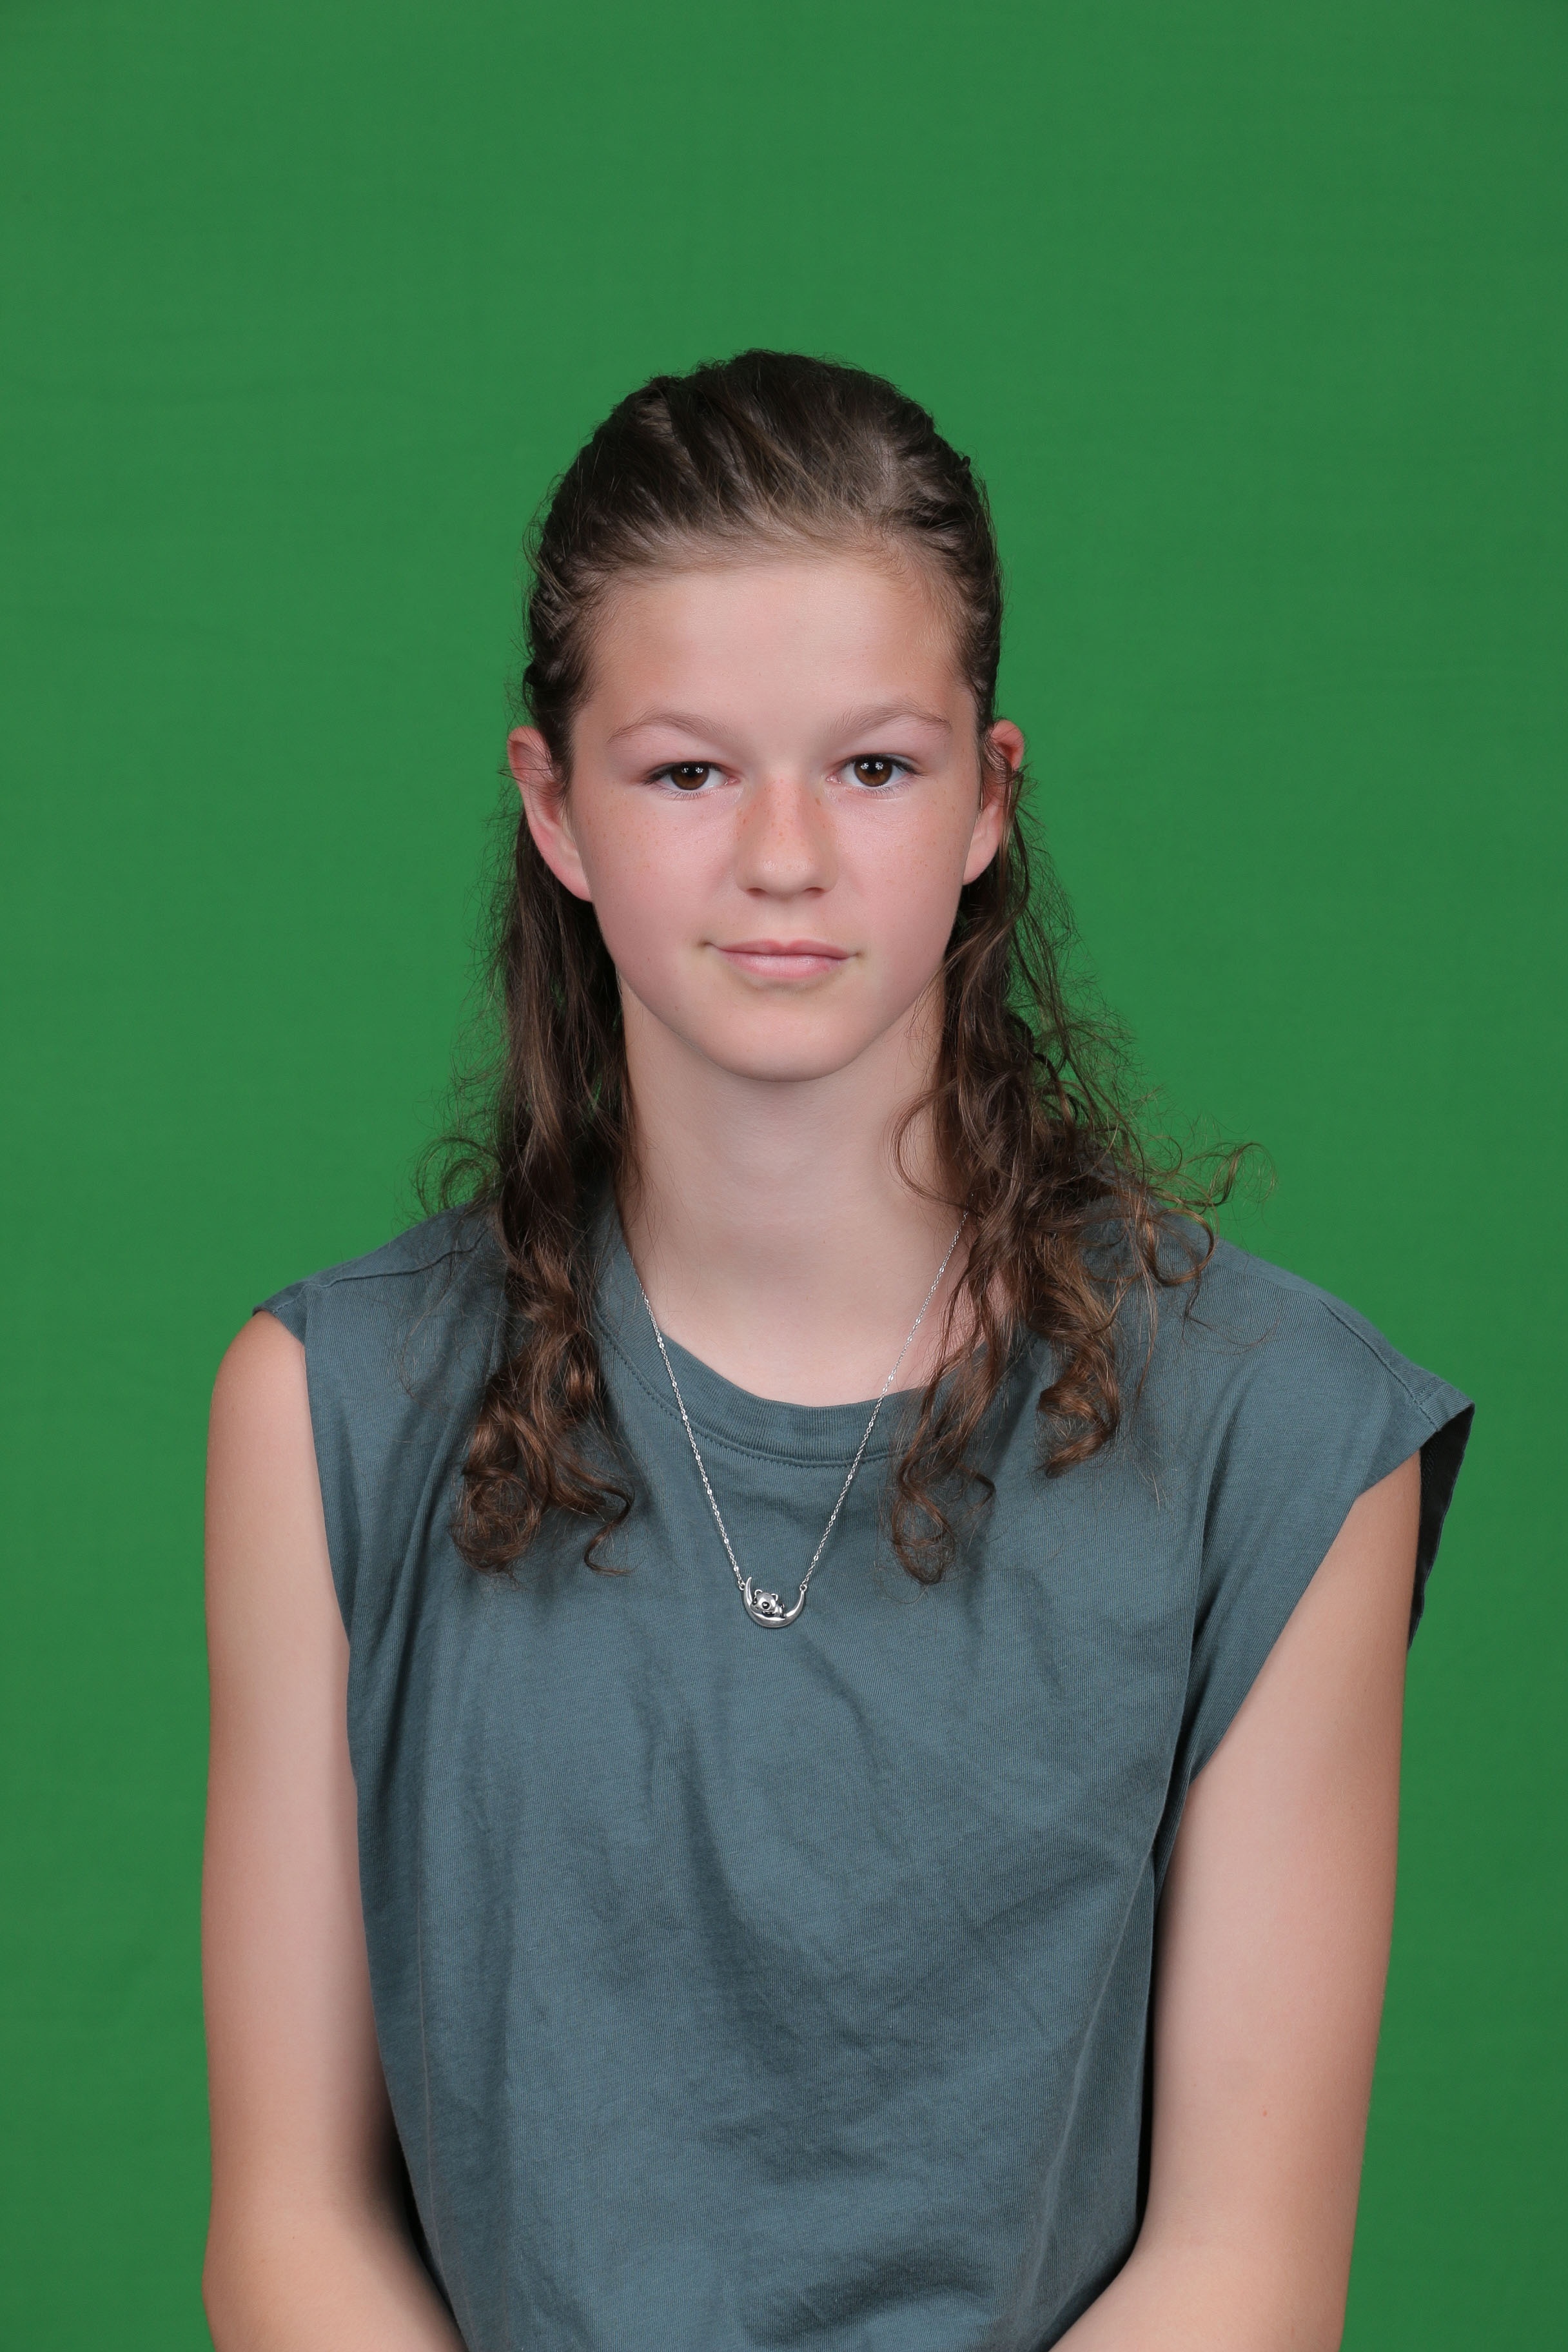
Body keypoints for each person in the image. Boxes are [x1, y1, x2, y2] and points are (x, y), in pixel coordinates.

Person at [201, 351, 1472, 2352]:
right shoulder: (327, 1414)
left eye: (873, 767)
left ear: (988, 798)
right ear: (554, 809)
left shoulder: (1283, 1435)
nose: (783, 854)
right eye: (687, 772)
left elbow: (1247, 2269)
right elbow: (291, 2223)